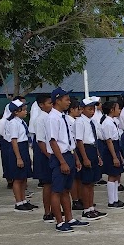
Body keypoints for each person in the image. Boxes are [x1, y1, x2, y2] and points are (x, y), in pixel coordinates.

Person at [46, 88, 87, 232]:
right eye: (66, 99)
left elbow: (69, 141)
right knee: (57, 190)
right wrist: (62, 161)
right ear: (57, 101)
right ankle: (59, 221)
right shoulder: (53, 118)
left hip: (68, 154)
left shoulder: (63, 117)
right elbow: (53, 141)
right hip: (60, 157)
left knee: (66, 190)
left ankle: (69, 218)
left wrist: (75, 158)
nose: (69, 102)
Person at [75, 98, 106, 220]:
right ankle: (86, 209)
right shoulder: (80, 122)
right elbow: (79, 141)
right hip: (85, 150)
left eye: (93, 109)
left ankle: (91, 207)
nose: (92, 111)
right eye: (89, 109)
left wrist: (97, 155)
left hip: (92, 149)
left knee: (92, 182)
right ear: (82, 109)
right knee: (86, 182)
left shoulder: (91, 122)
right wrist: (85, 158)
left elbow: (94, 140)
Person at [3, 100, 37, 212]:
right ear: (16, 112)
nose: (26, 112)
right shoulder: (13, 123)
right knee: (17, 178)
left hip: (23, 149)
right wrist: (18, 157)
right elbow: (14, 141)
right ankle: (18, 202)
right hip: (17, 150)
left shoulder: (22, 122)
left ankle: (24, 200)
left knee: (23, 177)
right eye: (23, 110)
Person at [98, 100, 124, 208]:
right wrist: (114, 157)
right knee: (112, 175)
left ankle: (116, 199)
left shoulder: (112, 121)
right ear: (112, 110)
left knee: (116, 175)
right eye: (117, 108)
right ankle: (112, 201)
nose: (119, 110)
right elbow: (109, 141)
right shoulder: (107, 123)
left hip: (115, 148)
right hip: (110, 150)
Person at [32, 93, 54, 221]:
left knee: (53, 183)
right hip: (45, 154)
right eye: (49, 103)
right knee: (47, 183)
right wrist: (49, 156)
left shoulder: (50, 117)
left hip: (50, 153)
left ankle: (54, 209)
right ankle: (47, 212)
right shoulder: (41, 119)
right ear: (41, 105)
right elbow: (41, 141)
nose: (51, 105)